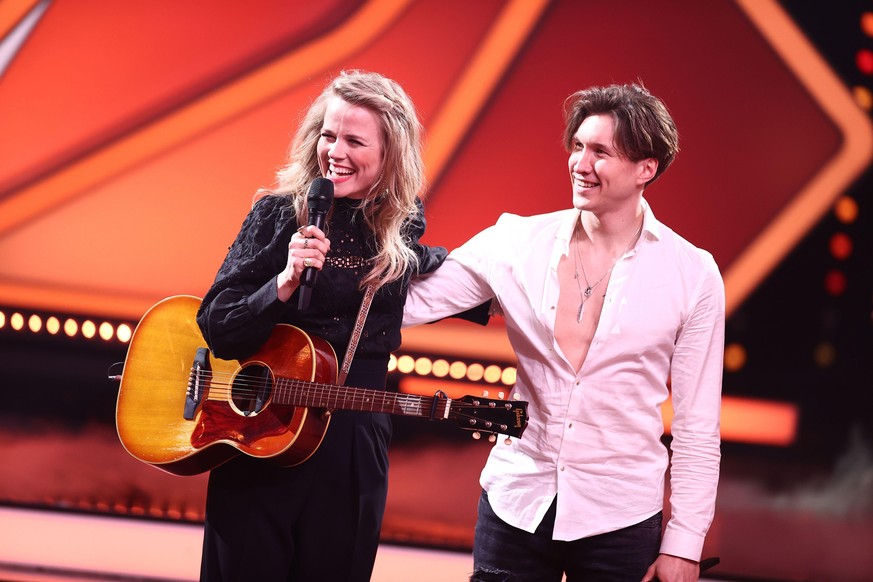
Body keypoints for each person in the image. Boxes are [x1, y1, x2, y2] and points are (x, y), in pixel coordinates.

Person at [403, 83, 725, 582]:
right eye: (577, 146)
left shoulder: (693, 274)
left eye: (600, 151)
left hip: (621, 516)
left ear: (646, 168)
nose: (580, 163)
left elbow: (697, 426)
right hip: (516, 502)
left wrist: (685, 544)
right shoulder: (514, 242)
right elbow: (407, 303)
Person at [195, 70, 447, 581]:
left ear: (391, 153)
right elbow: (216, 324)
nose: (335, 150)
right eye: (329, 134)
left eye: (355, 140)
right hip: (259, 433)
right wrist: (282, 282)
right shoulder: (275, 214)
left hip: (349, 444)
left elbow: (432, 262)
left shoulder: (400, 229)